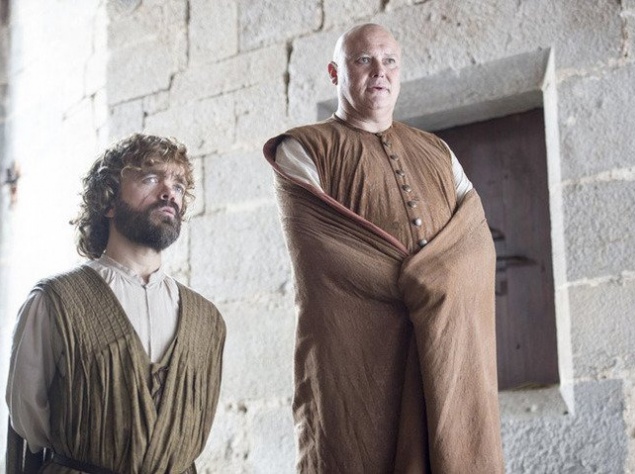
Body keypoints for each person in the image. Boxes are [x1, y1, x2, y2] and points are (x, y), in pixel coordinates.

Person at [263, 23, 504, 473]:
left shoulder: (438, 151)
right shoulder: (302, 149)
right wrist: (434, 282)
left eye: (389, 61)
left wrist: (435, 288)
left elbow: (475, 240)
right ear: (335, 73)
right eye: (363, 60)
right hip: (360, 363)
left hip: (446, 350)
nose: (380, 71)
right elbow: (328, 258)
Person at [6, 133, 226, 473]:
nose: (168, 192)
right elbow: (29, 419)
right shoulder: (55, 301)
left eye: (178, 186)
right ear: (108, 201)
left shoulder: (207, 319)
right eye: (150, 178)